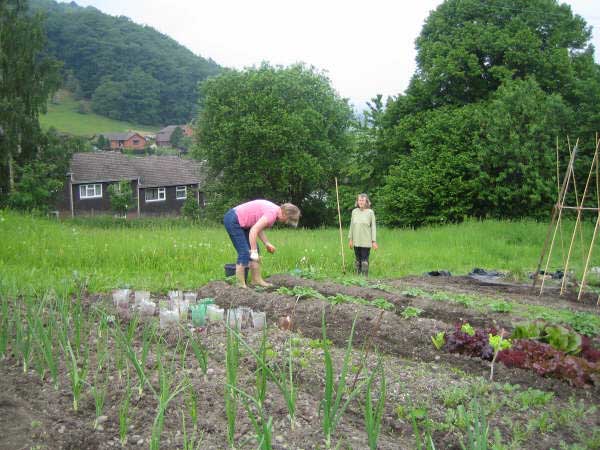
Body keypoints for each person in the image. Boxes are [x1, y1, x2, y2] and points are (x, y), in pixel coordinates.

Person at [224, 199, 301, 288]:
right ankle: (240, 284)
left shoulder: (274, 211)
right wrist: (253, 251)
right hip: (234, 220)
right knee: (245, 252)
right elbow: (253, 230)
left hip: (242, 222)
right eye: (288, 220)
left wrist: (266, 243)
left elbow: (257, 227)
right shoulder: (271, 214)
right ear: (285, 213)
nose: (286, 222)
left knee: (256, 251)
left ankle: (256, 280)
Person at [348, 193, 378, 276]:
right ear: (357, 201)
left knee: (364, 261)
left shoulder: (370, 212)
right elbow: (352, 226)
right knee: (357, 260)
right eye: (359, 200)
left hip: (366, 241)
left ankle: (365, 278)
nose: (361, 202)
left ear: (366, 202)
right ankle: (357, 277)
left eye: (363, 200)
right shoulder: (354, 212)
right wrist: (350, 239)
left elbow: (373, 227)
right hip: (356, 240)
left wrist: (374, 241)